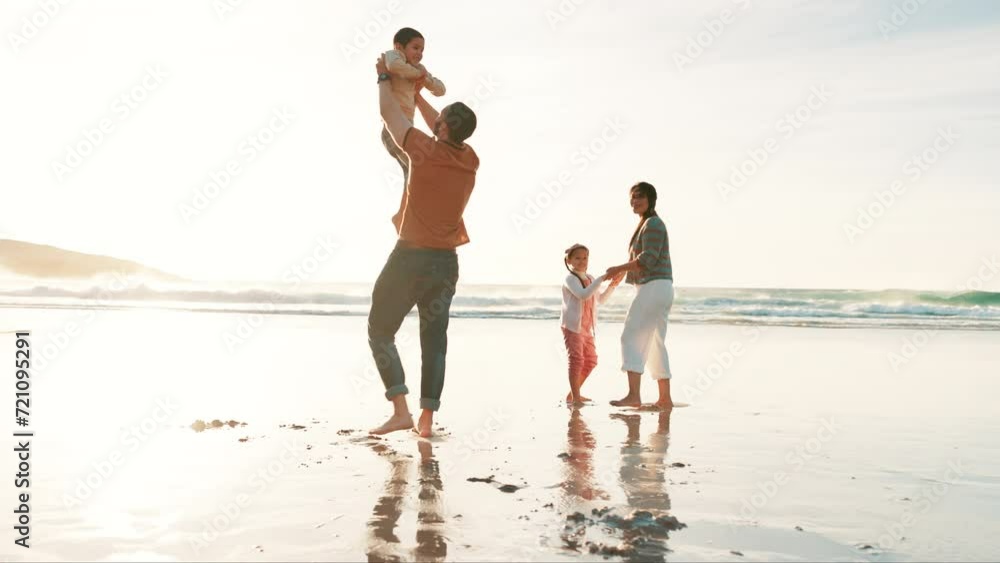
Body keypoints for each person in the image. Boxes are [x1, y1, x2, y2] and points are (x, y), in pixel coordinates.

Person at [368, 55, 478, 438]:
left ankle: (400, 411)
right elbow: (442, 127)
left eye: (440, 120)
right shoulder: (471, 160)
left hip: (410, 259)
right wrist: (418, 93)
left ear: (443, 126)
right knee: (434, 342)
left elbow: (388, 114)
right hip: (446, 264)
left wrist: (384, 76)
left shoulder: (421, 151)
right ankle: (427, 422)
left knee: (380, 329)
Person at [604, 182, 676, 409]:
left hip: (654, 287)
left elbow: (647, 259)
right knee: (655, 342)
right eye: (632, 197)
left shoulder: (653, 223)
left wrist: (618, 268)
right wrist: (622, 273)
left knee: (630, 336)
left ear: (651, 199)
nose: (635, 201)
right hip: (660, 287)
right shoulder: (647, 223)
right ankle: (664, 399)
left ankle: (633, 395)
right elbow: (644, 260)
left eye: (640, 197)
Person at [380, 27, 447, 228]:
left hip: (406, 130)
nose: (419, 53)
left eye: (422, 50)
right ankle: (406, 216)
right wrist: (417, 74)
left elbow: (441, 90)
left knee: (411, 172)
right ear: (400, 47)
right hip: (393, 130)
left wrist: (424, 77)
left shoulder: (417, 70)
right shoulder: (394, 57)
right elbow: (392, 65)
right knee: (415, 168)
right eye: (415, 47)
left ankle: (402, 215)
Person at [561, 243, 623, 404]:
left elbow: (600, 299)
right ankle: (575, 398)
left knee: (591, 360)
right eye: (578, 258)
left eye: (585, 258)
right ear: (569, 261)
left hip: (587, 328)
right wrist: (603, 278)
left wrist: (612, 285)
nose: (582, 261)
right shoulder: (570, 279)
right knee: (576, 360)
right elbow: (583, 295)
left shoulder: (591, 278)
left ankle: (573, 394)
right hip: (573, 327)